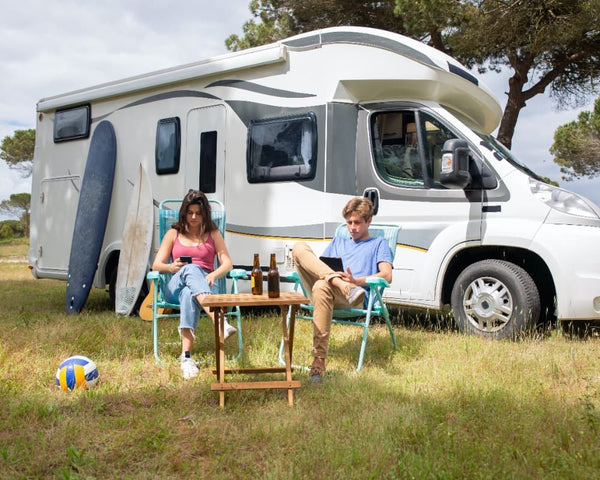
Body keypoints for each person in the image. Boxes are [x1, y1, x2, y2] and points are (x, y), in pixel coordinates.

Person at [292, 197, 393, 383]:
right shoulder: (338, 241)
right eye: (349, 223)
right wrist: (338, 280)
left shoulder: (379, 244)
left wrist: (357, 280)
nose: (352, 227)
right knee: (299, 247)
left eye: (357, 223)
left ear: (369, 221)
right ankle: (340, 284)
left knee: (322, 285)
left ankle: (318, 361)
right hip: (329, 290)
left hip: (356, 294)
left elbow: (387, 275)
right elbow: (320, 267)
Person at [152, 190, 236, 379]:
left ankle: (186, 357)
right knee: (190, 269)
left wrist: (214, 273)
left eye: (198, 213)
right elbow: (156, 265)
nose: (193, 217)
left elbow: (227, 263)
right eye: (190, 213)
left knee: (189, 294)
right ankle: (219, 321)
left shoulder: (212, 233)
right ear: (184, 212)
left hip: (205, 285)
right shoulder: (174, 233)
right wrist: (172, 266)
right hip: (175, 284)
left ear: (204, 213)